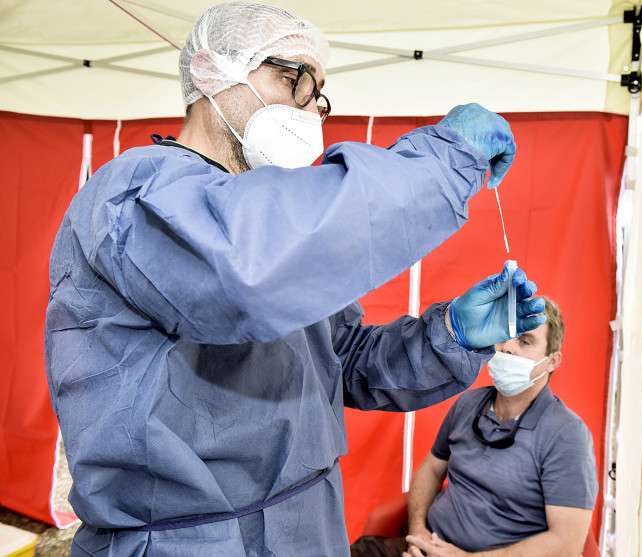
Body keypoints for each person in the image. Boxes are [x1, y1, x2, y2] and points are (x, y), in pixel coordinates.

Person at [44, 3, 546, 556]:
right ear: (210, 71)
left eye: (319, 96)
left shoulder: (260, 217)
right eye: (294, 79)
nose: (309, 111)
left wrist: (449, 335)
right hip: (186, 542)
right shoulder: (137, 195)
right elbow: (246, 273)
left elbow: (343, 360)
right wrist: (444, 161)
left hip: (306, 526)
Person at [351, 299, 597, 557]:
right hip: (428, 546)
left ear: (552, 361)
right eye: (505, 336)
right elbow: (431, 469)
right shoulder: (469, 403)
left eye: (525, 341)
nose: (508, 348)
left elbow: (566, 544)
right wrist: (418, 532)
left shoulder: (567, 434)